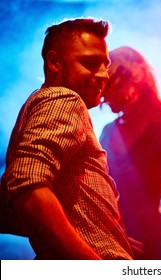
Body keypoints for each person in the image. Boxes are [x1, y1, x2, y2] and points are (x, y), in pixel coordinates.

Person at [0, 18, 134, 259]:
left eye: (105, 64)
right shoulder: (64, 99)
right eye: (91, 63)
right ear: (54, 62)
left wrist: (104, 229)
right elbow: (26, 186)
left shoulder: (38, 104)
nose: (104, 74)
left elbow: (10, 212)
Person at [99, 46, 161, 259]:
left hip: (147, 242)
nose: (105, 96)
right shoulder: (108, 131)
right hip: (106, 237)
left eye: (112, 85)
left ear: (136, 79)